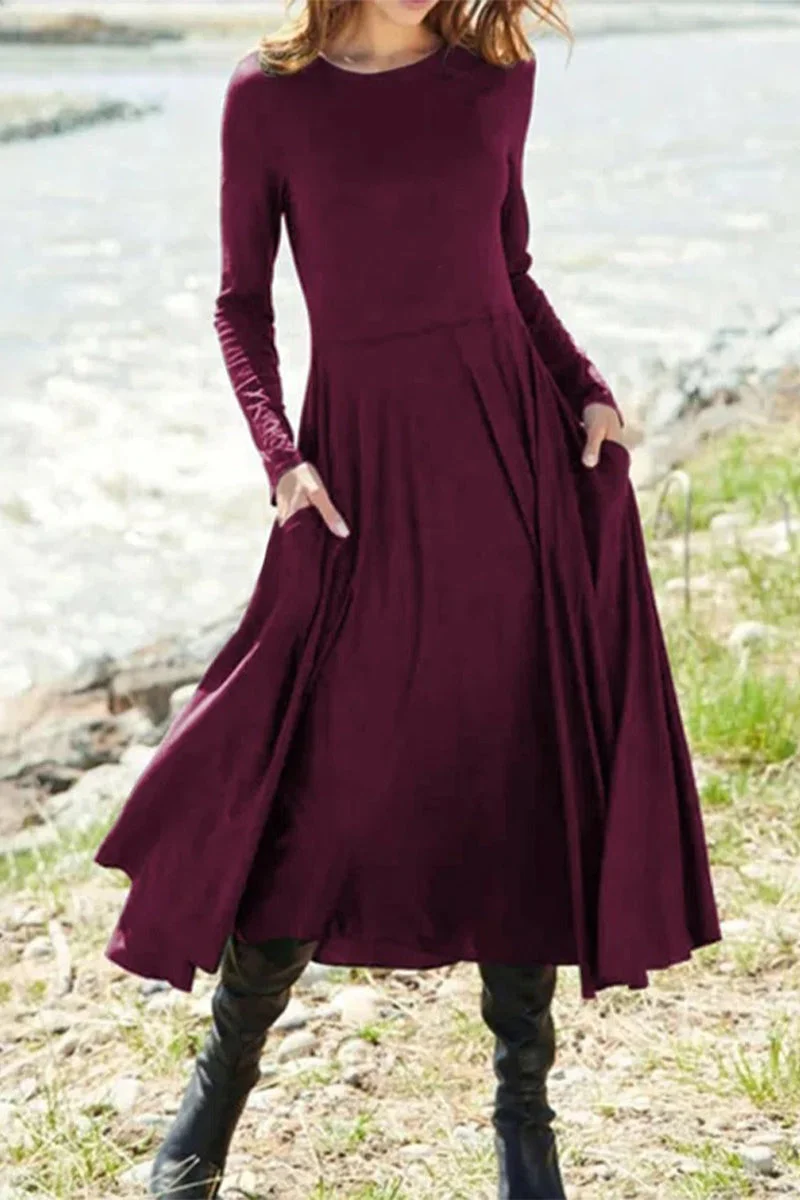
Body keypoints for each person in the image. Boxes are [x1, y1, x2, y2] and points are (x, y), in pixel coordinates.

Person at [93, 1, 723, 1196]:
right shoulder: (268, 96)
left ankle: (522, 1119)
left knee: (517, 768)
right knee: (319, 778)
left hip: (511, 459)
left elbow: (508, 271)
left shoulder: (495, 73)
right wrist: (283, 460)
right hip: (362, 478)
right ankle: (214, 1098)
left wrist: (583, 387)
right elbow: (240, 304)